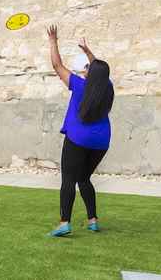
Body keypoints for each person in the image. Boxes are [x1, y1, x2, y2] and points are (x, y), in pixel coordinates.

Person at [46, 25, 114, 237]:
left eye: (87, 68)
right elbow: (100, 69)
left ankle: (64, 222)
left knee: (68, 180)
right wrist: (88, 52)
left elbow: (57, 65)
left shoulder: (79, 85)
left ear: (89, 73)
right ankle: (93, 220)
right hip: (101, 141)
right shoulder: (108, 87)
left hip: (78, 138)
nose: (85, 69)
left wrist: (53, 41)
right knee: (84, 179)